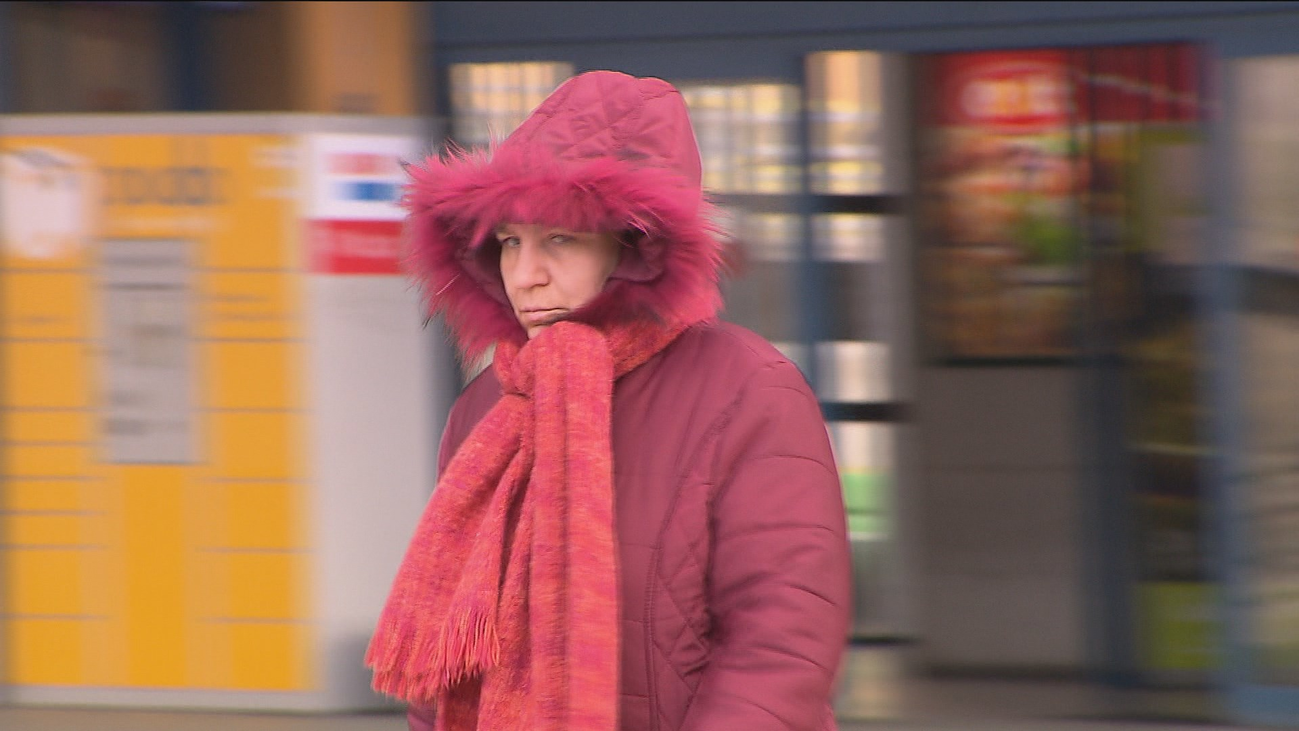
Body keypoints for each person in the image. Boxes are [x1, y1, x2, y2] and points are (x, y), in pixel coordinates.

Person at [367, 70, 852, 731]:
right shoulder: (488, 408)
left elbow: (781, 642)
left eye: (558, 240)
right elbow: (444, 655)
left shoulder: (747, 390)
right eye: (510, 241)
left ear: (635, 246)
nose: (525, 274)